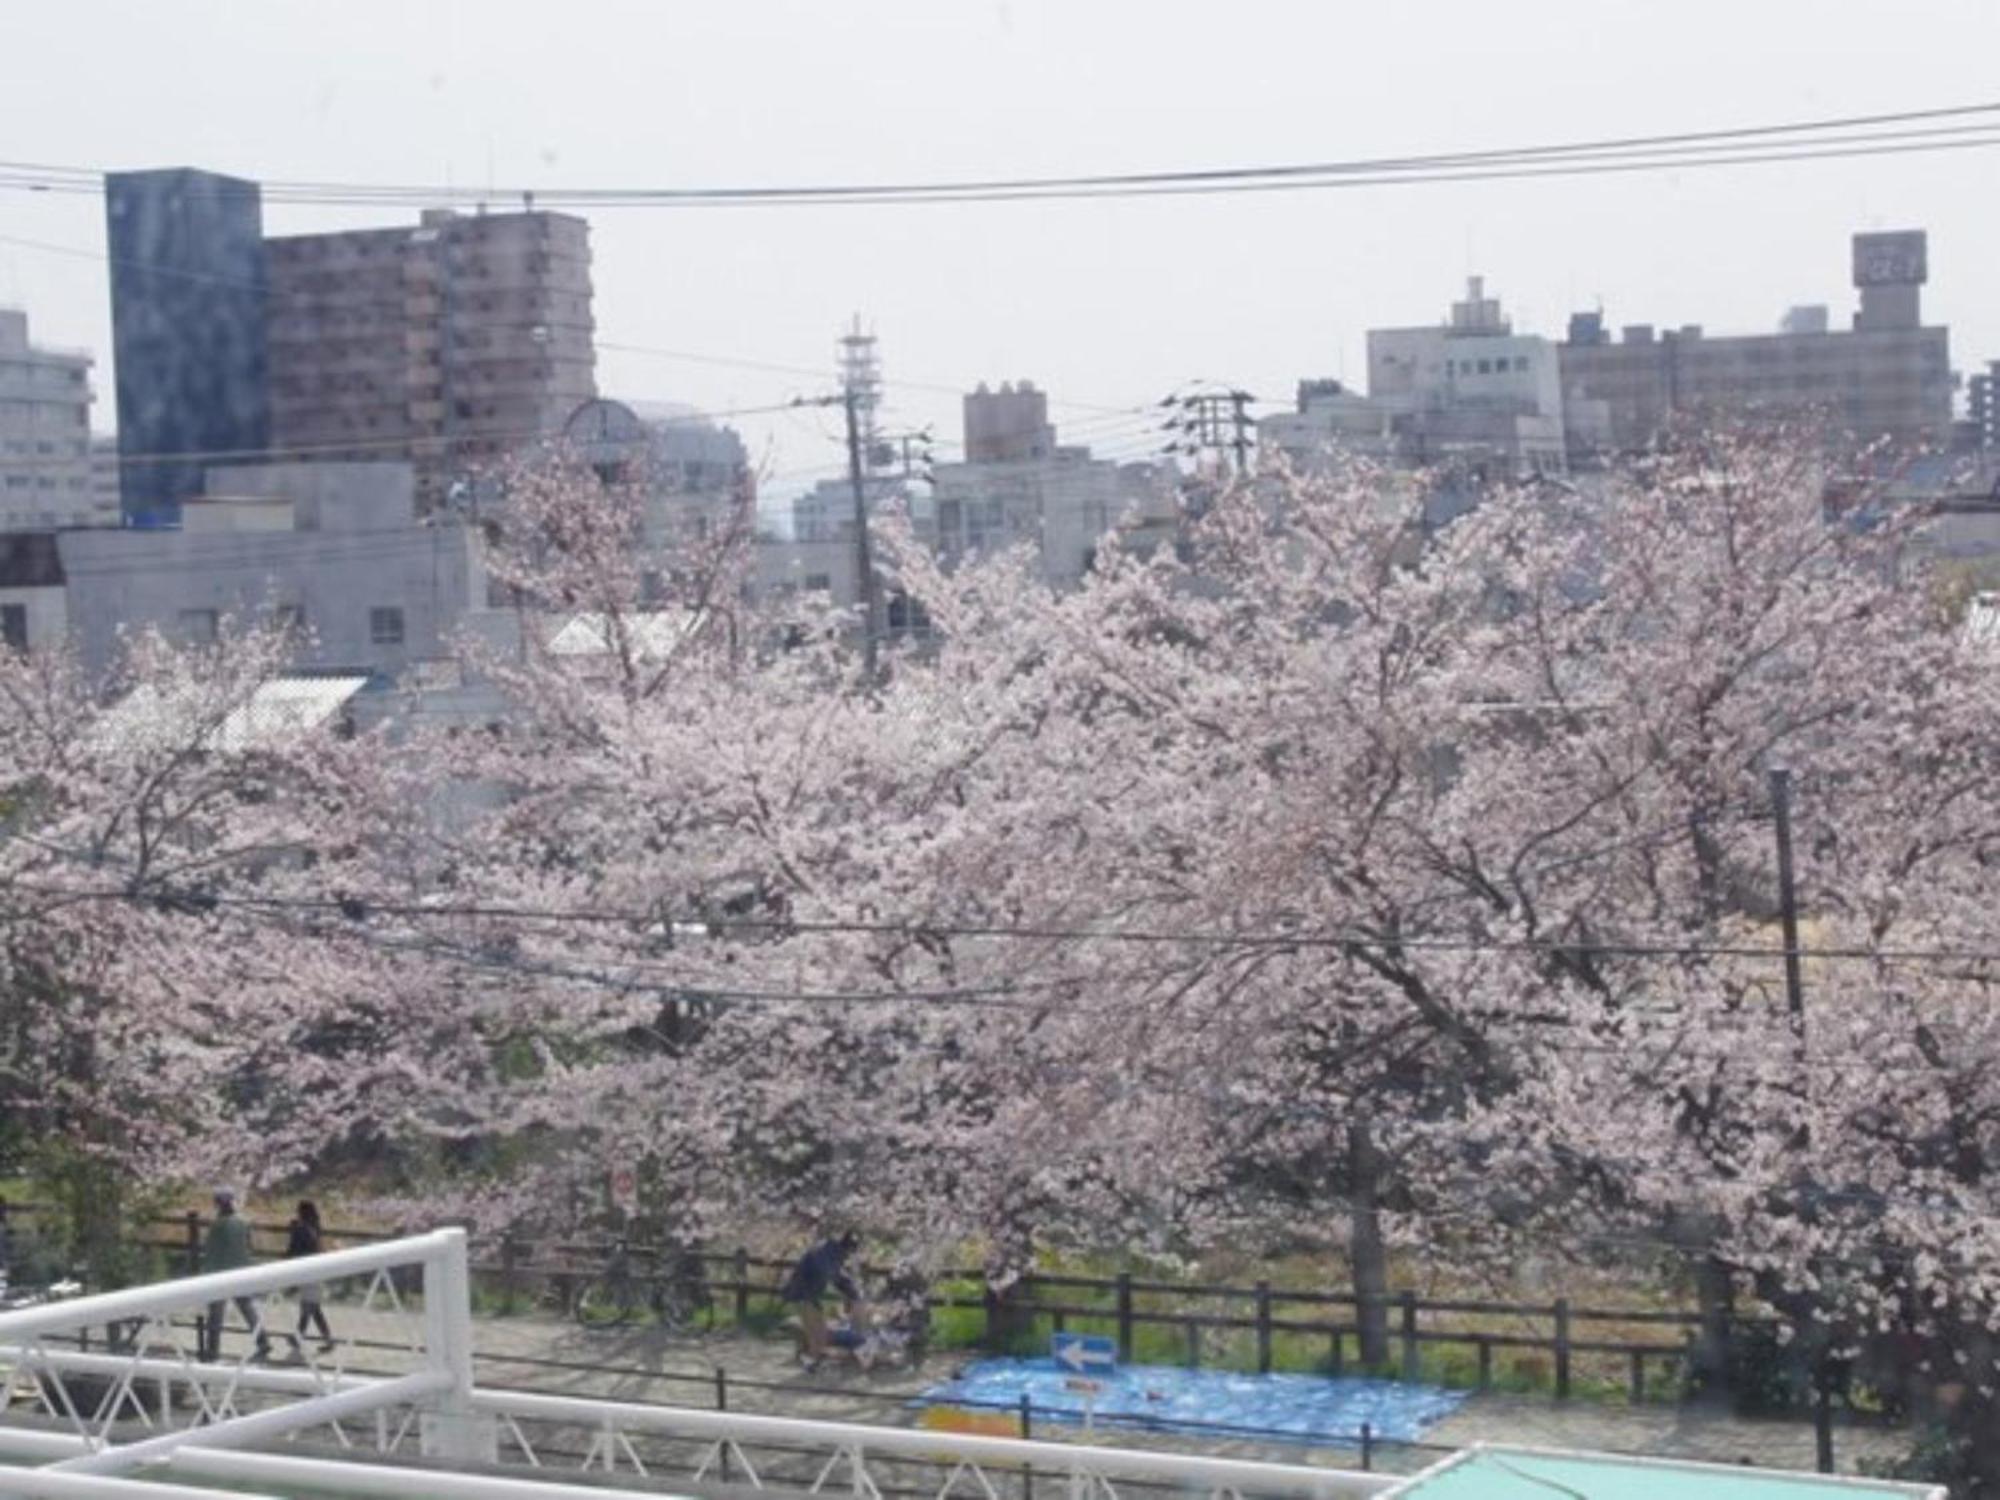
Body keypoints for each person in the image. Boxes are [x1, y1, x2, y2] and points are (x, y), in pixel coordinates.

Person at [200, 1190, 269, 1363]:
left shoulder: (217, 1226)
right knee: (247, 1308)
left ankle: (212, 1351)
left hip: (219, 1273)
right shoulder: (243, 1223)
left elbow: (211, 1250)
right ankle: (262, 1341)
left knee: (215, 1314)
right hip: (241, 1271)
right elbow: (249, 1246)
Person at [779, 1230, 860, 1371]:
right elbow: (835, 1276)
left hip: (808, 1295)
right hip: (803, 1295)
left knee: (819, 1334)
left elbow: (837, 1275)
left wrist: (851, 1290)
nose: (848, 1256)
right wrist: (852, 1292)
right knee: (817, 1334)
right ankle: (810, 1364)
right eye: (850, 1252)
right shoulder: (828, 1254)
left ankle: (811, 1363)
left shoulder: (829, 1251)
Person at [284, 1201, 333, 1353]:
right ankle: (324, 1339)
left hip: (307, 1269)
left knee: (309, 1305)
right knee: (312, 1307)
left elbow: (293, 1250)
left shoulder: (302, 1230)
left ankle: (299, 1337)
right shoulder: (315, 1227)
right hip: (316, 1269)